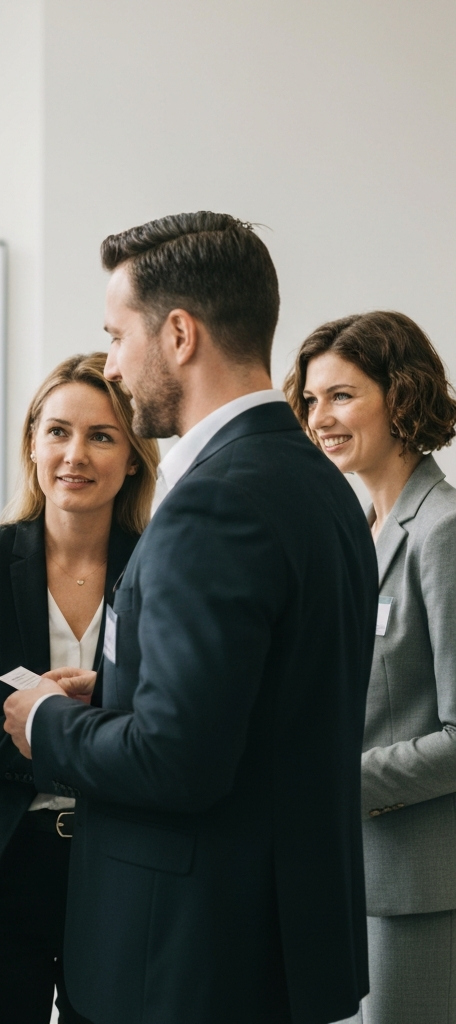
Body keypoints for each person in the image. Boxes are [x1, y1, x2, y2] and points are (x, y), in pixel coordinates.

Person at [3, 212, 379, 1024]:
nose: (112, 364)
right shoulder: (318, 483)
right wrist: (120, 687)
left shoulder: (213, 499)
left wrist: (46, 722)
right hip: (280, 941)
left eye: (116, 335)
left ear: (178, 334)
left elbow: (177, 761)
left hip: (189, 957)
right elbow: (273, 695)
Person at [0, 352, 158, 1024]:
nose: (74, 454)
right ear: (32, 442)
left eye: (102, 436)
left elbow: (175, 723)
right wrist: (56, 738)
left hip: (122, 871)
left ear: (133, 457)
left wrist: (69, 723)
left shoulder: (165, 566)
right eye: (57, 431)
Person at [284, 311, 456, 1024]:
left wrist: (331, 783)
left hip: (417, 890)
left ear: (404, 395)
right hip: (348, 875)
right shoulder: (361, 528)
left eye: (343, 396)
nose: (320, 417)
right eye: (312, 399)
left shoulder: (443, 532)